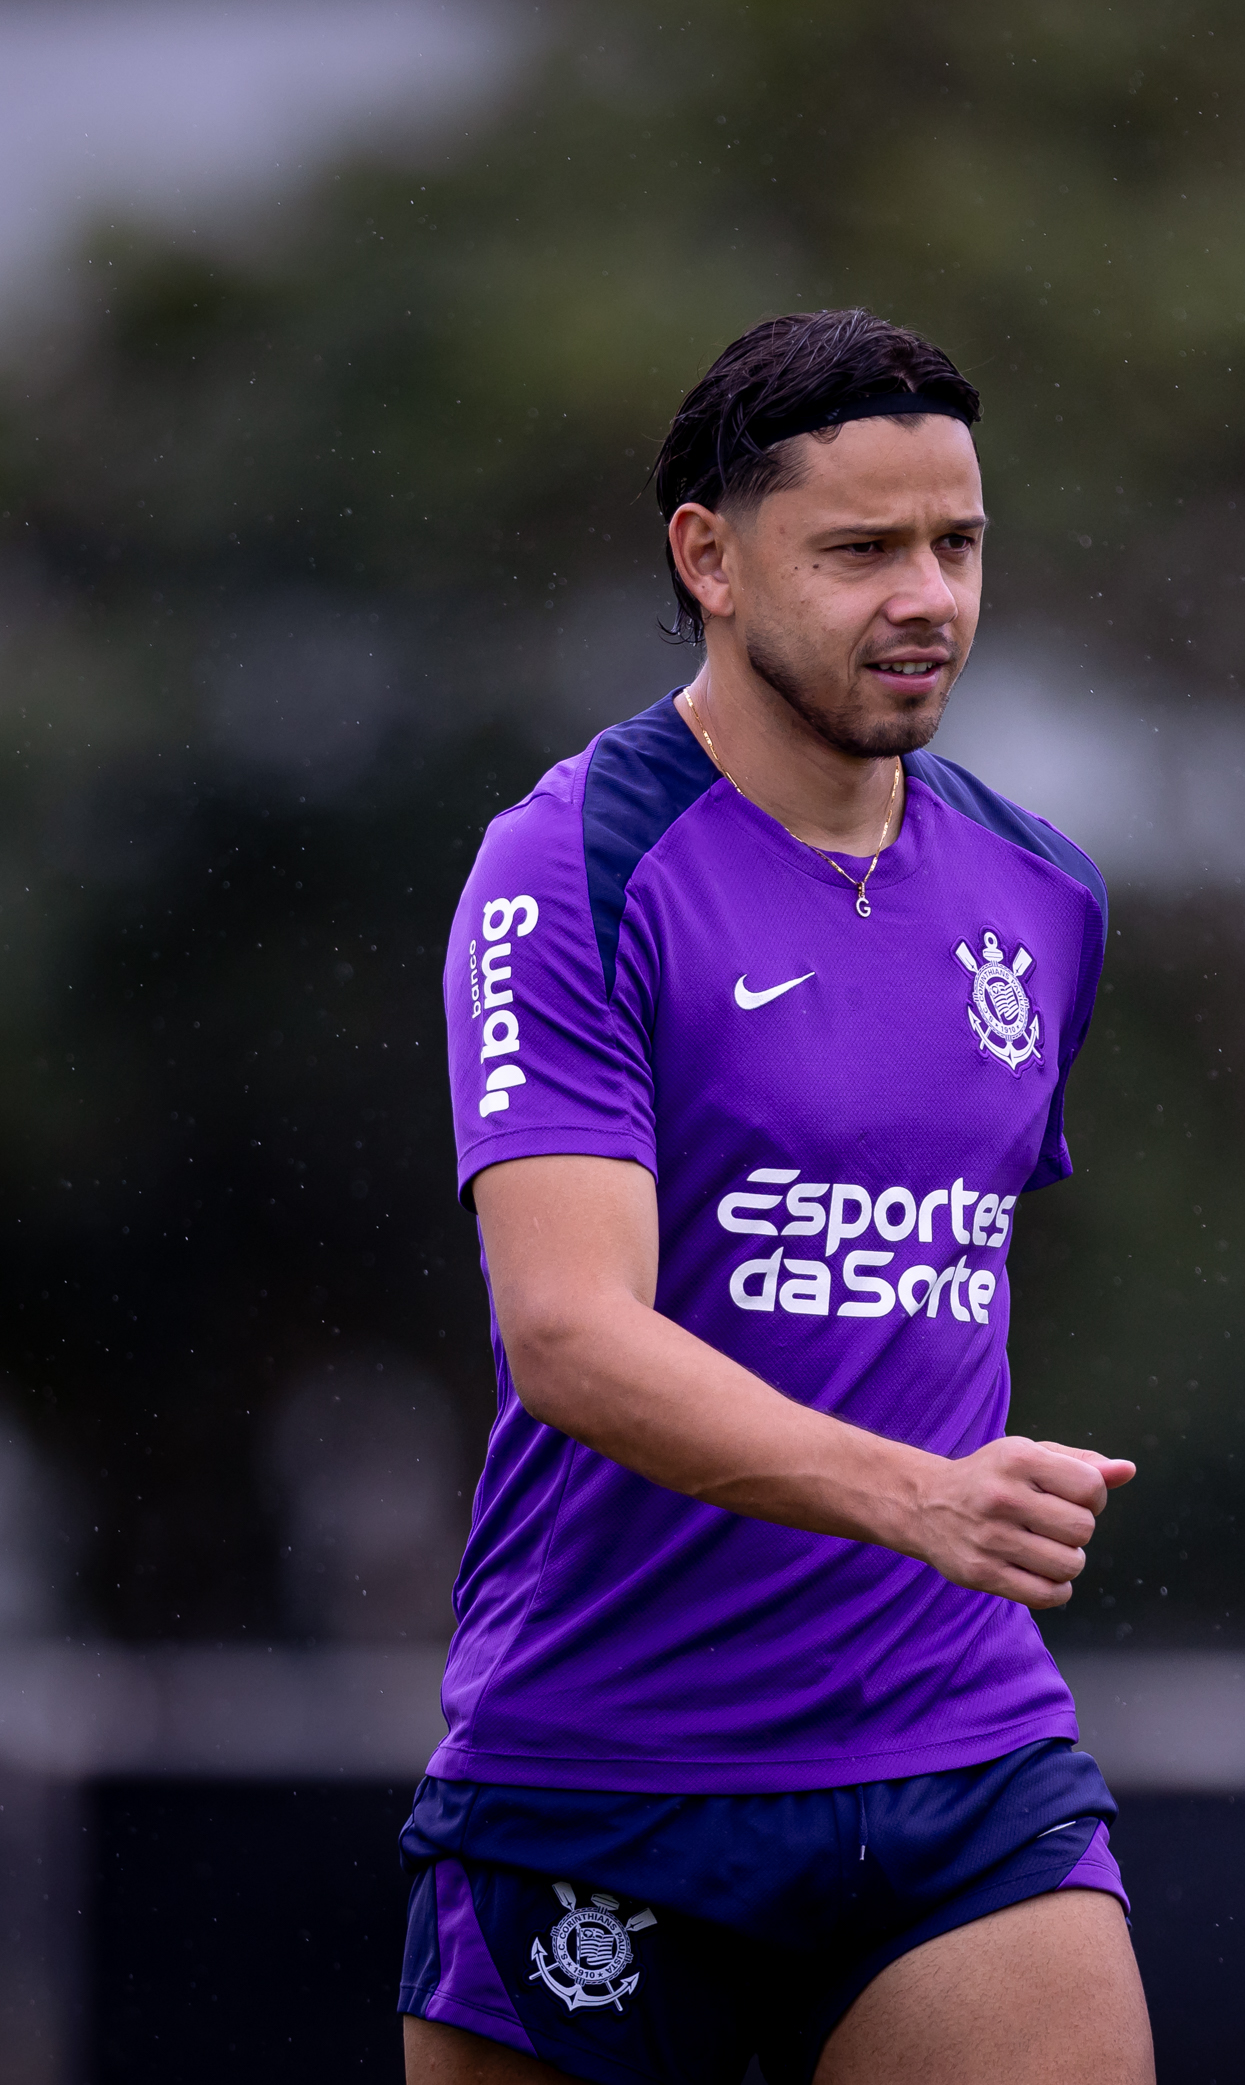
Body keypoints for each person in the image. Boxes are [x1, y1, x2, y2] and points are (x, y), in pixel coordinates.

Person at [398, 309, 1153, 2085]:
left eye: (957, 543)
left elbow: (918, 1270)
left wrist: (943, 1528)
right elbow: (571, 1335)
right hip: (612, 1781)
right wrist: (923, 1501)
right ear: (710, 558)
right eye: (863, 549)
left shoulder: (1043, 891)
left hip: (963, 1757)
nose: (928, 596)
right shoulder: (571, 866)